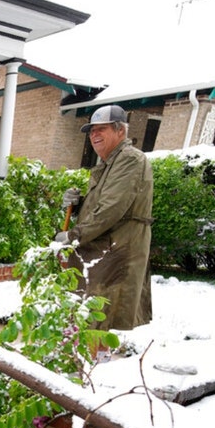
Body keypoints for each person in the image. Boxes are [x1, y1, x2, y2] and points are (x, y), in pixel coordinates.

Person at [55, 105, 153, 331]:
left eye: (102, 129)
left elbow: (112, 208)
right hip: (104, 251)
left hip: (116, 252)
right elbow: (106, 204)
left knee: (98, 318)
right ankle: (85, 362)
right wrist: (78, 206)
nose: (94, 135)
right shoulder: (110, 163)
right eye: (92, 131)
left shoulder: (129, 159)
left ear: (121, 131)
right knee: (88, 315)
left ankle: (91, 365)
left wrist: (73, 235)